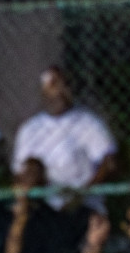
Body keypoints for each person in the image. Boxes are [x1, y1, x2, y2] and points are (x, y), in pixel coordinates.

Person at [11, 66, 117, 208]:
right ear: (43, 91)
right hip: (44, 208)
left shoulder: (88, 122)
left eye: (64, 85)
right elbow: (19, 171)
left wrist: (82, 194)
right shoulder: (29, 129)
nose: (60, 92)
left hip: (82, 205)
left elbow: (109, 161)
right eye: (54, 86)